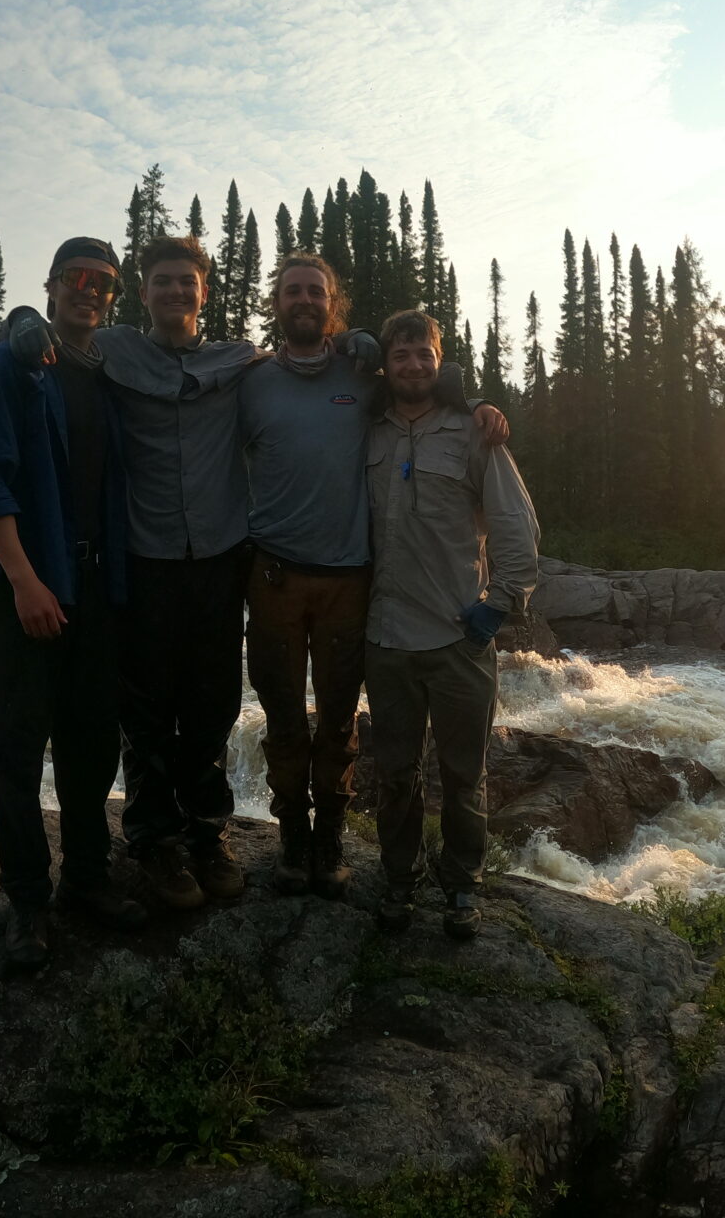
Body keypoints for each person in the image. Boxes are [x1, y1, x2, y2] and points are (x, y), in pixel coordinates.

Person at [238, 254, 511, 898]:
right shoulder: (249, 381)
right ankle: (292, 839)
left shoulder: (363, 375)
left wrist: (476, 402)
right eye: (291, 291)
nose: (303, 300)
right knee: (282, 719)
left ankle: (331, 836)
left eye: (316, 292)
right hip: (273, 576)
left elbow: (426, 388)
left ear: (334, 305)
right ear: (276, 301)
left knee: (337, 722)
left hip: (348, 583)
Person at [5, 235, 256, 909]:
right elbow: (45, 334)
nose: (176, 291)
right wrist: (20, 321)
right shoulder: (111, 349)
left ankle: (208, 832)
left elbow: (312, 364)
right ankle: (153, 840)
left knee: (212, 704)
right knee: (145, 710)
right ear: (142, 293)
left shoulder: (239, 362)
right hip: (141, 561)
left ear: (205, 291)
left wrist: (363, 350)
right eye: (163, 282)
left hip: (218, 560)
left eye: (187, 282)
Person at [0, 236, 146, 970]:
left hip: (96, 588)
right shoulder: (12, 366)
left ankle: (87, 879)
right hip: (22, 590)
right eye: (78, 279)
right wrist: (26, 581)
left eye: (104, 283)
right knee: (17, 745)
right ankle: (27, 902)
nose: (91, 291)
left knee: (93, 740)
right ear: (54, 284)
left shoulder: (102, 376)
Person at [362, 308, 540, 940]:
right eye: (402, 355)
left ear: (441, 364)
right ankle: (399, 879)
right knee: (395, 773)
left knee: (465, 774)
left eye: (425, 356)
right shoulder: (367, 430)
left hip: (458, 638)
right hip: (384, 639)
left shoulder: (472, 432)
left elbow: (515, 523)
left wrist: (500, 605)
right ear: (386, 363)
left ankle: (462, 883)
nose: (413, 366)